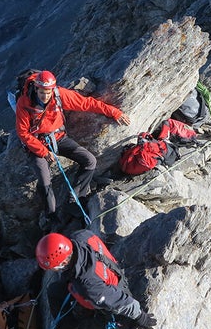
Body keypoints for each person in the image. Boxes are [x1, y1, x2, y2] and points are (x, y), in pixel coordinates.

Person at [15, 70, 130, 224]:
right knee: (44, 177)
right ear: (36, 89)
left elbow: (86, 103)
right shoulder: (24, 102)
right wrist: (43, 151)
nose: (45, 96)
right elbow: (23, 133)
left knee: (89, 161)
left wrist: (114, 112)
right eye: (42, 92)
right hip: (37, 143)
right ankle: (51, 215)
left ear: (53, 90)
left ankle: (74, 199)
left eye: (48, 92)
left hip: (59, 138)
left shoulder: (59, 94)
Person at [35, 230, 157, 329]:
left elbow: (117, 301)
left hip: (112, 290)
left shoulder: (88, 285)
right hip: (111, 269)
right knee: (56, 289)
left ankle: (74, 322)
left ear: (64, 263)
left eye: (53, 268)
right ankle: (67, 324)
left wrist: (141, 317)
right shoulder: (81, 236)